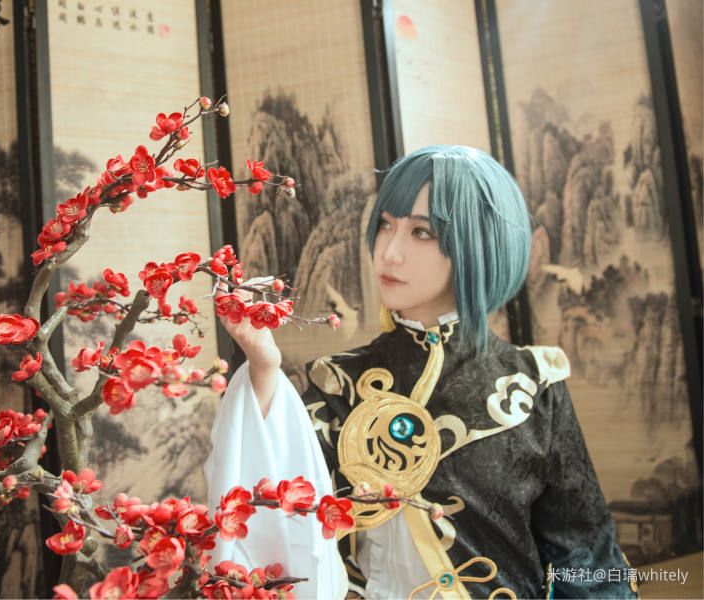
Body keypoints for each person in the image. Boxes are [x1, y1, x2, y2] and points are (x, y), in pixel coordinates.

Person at [203, 145, 638, 599]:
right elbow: (277, 511)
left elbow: (586, 559)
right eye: (385, 225)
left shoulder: (533, 384)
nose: (389, 252)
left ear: (478, 244)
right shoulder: (337, 383)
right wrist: (264, 367)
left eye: (421, 232)